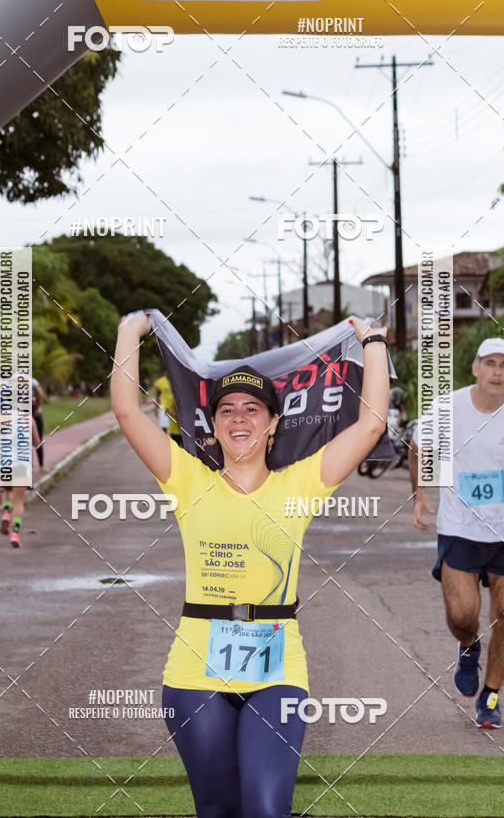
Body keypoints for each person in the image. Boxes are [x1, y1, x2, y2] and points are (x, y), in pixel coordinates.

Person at [112, 312, 389, 818]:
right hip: (195, 669)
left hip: (279, 668)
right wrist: (129, 333)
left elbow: (370, 423)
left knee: (266, 808)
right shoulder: (188, 480)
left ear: (273, 424)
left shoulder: (300, 485)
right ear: (212, 427)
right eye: (227, 410)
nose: (240, 418)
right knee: (217, 809)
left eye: (253, 409)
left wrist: (371, 340)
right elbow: (128, 413)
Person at [409, 338, 504, 730]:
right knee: (462, 615)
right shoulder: (447, 407)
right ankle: (469, 644)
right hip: (460, 526)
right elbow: (418, 446)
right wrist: (419, 492)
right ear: (475, 368)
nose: (497, 371)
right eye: (489, 363)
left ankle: (490, 696)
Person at [0, 409, 41, 548]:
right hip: (23, 464)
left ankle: (5, 514)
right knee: (19, 501)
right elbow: (37, 443)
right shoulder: (29, 419)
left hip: (4, 463)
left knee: (6, 491)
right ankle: (15, 533)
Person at [152, 374, 182, 446]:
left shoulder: (178, 379)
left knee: (176, 430)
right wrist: (156, 409)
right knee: (164, 428)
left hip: (175, 408)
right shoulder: (161, 381)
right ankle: (165, 445)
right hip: (164, 408)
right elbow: (157, 396)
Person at [31, 377, 44, 470]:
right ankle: (41, 466)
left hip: (24, 415)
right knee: (38, 440)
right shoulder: (32, 381)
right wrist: (37, 407)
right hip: (35, 414)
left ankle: (28, 467)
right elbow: (40, 393)